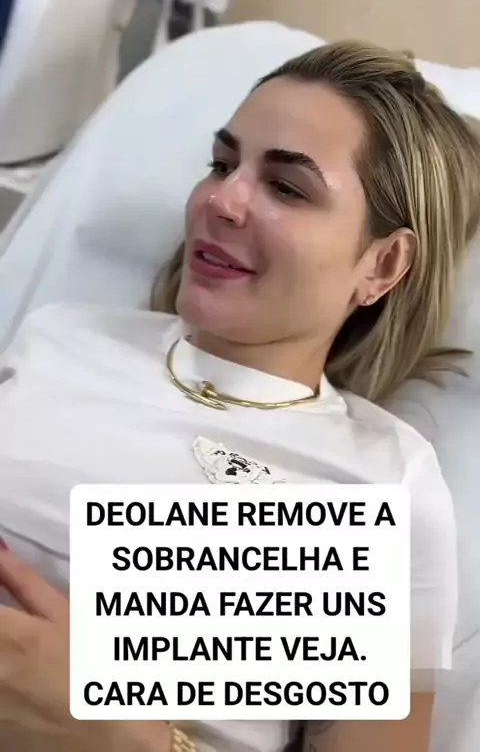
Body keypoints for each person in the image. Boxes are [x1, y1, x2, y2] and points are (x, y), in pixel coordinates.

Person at [1, 40, 480, 752]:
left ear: (382, 264)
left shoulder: (384, 484)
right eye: (222, 164)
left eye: (287, 187)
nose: (220, 200)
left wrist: (125, 737)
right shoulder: (62, 337)